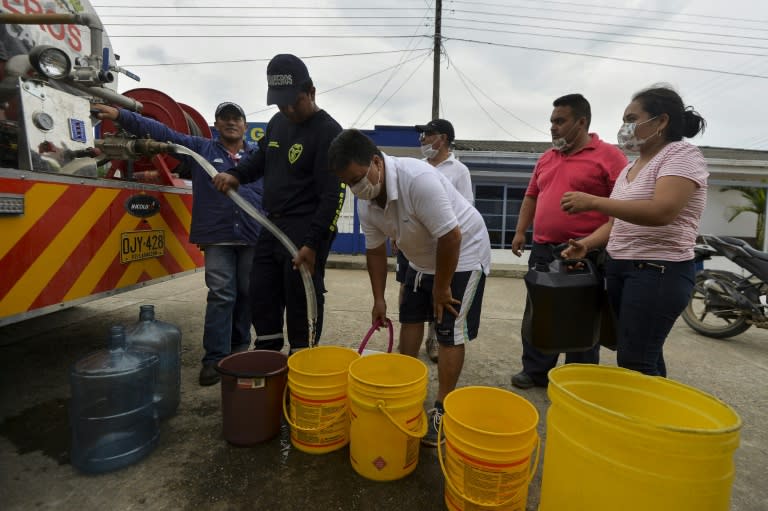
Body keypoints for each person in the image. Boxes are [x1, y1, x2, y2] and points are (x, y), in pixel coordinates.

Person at [327, 128, 491, 447]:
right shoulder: (367, 202)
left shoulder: (417, 179)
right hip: (419, 258)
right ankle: (407, 387)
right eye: (348, 183)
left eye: (358, 178)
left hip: (464, 253)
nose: (356, 188)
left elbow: (451, 237)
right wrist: (378, 299)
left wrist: (441, 288)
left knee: (448, 330)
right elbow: (375, 251)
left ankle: (443, 407)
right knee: (411, 319)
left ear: (376, 162)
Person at [91, 101, 264, 386]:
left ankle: (239, 347)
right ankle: (214, 359)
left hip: (251, 234)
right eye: (225, 118)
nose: (231, 122)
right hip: (217, 236)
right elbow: (163, 132)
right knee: (222, 294)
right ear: (216, 125)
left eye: (236, 118)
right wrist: (123, 115)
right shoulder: (201, 149)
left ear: (245, 125)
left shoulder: (258, 157)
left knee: (246, 292)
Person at [561, 85, 708, 377]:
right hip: (624, 268)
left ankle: (645, 420)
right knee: (642, 354)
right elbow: (616, 224)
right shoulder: (633, 166)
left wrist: (592, 201)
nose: (625, 127)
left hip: (657, 270)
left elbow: (662, 211)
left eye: (631, 118)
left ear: (661, 121)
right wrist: (587, 245)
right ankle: (654, 417)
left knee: (635, 359)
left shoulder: (680, 154)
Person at [212, 54, 344, 354]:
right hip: (272, 224)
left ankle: (302, 361)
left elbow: (333, 195)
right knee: (262, 293)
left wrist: (313, 243)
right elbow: (259, 161)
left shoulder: (328, 132)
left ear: (311, 92)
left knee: (301, 300)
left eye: (294, 101)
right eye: (280, 103)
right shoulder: (277, 123)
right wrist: (235, 174)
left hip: (306, 227)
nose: (287, 109)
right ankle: (268, 361)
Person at [510, 93, 628, 389]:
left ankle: (577, 379)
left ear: (582, 122)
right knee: (541, 311)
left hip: (586, 250)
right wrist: (520, 231)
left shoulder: (609, 156)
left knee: (581, 315)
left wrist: (592, 241)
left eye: (560, 121)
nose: (553, 127)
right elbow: (531, 196)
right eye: (552, 121)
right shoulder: (547, 158)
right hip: (543, 248)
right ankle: (535, 372)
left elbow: (622, 203)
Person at [399, 118, 474, 364]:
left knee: (439, 293)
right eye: (421, 134)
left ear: (442, 139)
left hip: (442, 245)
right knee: (409, 289)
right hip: (412, 240)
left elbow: (465, 209)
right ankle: (408, 335)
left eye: (428, 134)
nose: (422, 139)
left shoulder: (458, 170)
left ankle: (433, 338)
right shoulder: (416, 166)